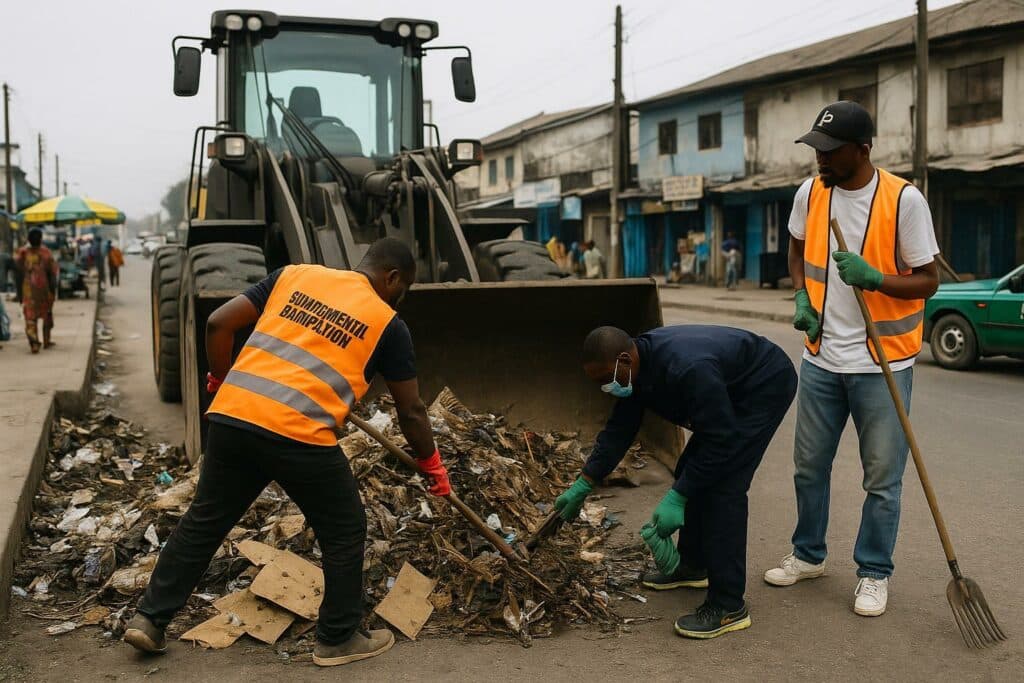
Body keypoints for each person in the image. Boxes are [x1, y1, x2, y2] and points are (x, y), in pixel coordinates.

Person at [123, 238, 451, 667]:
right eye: (402, 291)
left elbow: (219, 323)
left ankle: (149, 619)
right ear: (391, 278)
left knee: (205, 520)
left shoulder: (294, 275)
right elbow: (410, 409)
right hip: (298, 435)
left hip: (233, 420)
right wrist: (431, 464)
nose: (399, 301)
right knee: (344, 528)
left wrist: (222, 380)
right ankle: (338, 637)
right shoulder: (388, 324)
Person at [763, 101, 939, 618]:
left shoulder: (903, 200)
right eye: (815, 149)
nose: (819, 160)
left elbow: (929, 279)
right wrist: (800, 297)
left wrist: (876, 278)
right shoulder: (811, 192)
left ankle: (873, 572)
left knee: (882, 481)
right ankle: (809, 554)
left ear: (861, 150)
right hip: (821, 359)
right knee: (808, 469)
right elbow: (796, 251)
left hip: (882, 363)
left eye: (829, 150)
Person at [555, 324, 797, 639]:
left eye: (605, 379)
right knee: (690, 469)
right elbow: (620, 429)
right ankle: (693, 566)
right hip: (725, 393)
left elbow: (721, 439)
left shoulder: (687, 368)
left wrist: (678, 497)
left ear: (625, 360)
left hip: (763, 386)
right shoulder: (636, 370)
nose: (604, 387)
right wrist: (585, 482)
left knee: (724, 489)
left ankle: (728, 605)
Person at [14, 228, 59, 354]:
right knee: (47, 314)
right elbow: (52, 274)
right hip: (44, 289)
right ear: (41, 238)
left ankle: (34, 343)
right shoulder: (46, 253)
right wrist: (53, 290)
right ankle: (46, 340)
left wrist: (19, 293)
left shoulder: (22, 253)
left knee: (30, 318)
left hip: (28, 290)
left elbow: (17, 273)